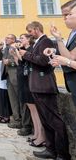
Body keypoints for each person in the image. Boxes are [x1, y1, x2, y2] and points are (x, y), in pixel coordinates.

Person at [19, 21, 71, 160]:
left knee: (55, 120)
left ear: (36, 29)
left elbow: (42, 61)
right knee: (46, 120)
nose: (29, 34)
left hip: (44, 86)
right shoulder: (38, 43)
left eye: (30, 31)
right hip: (36, 85)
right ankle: (50, 149)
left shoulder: (46, 41)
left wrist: (25, 54)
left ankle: (62, 153)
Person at [49, 0, 76, 106]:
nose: (64, 18)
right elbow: (70, 56)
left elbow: (70, 59)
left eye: (67, 14)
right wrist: (58, 39)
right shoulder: (73, 32)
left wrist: (66, 61)